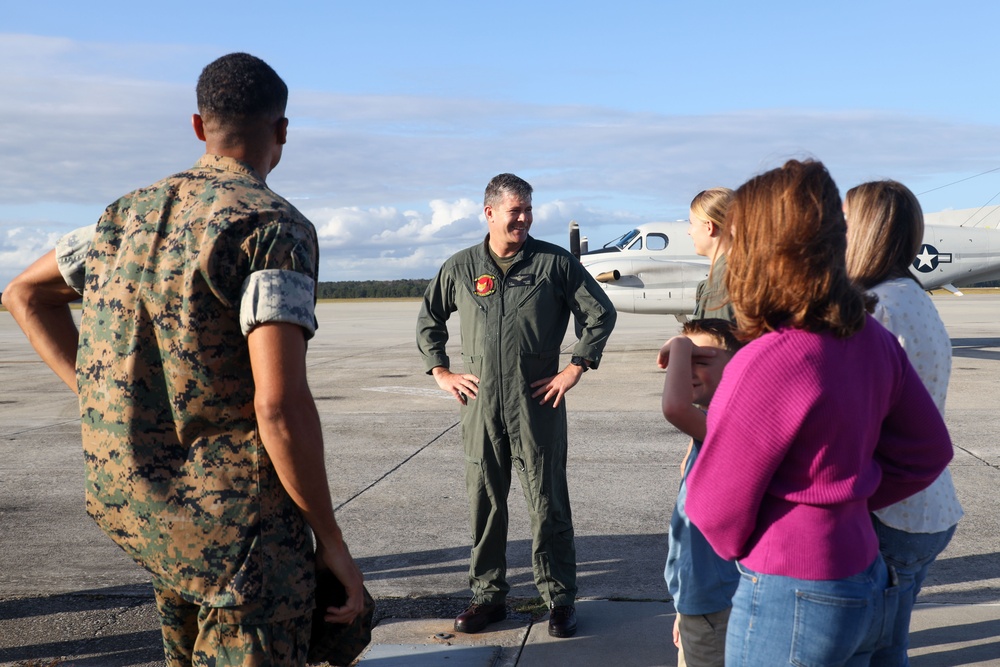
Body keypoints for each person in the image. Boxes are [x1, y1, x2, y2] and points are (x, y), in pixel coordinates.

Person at [1, 53, 364, 665]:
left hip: (154, 516)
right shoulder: (272, 228)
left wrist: (98, 396)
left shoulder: (122, 219)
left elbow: (23, 293)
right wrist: (331, 541)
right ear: (281, 131)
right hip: (241, 529)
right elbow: (277, 405)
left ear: (199, 126)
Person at [683, 159, 954, 666]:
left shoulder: (770, 357)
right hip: (862, 569)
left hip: (791, 587)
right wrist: (845, 500)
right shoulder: (869, 335)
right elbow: (928, 450)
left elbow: (713, 509)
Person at [416, 173, 617, 638]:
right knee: (484, 503)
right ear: (489, 214)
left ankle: (560, 599)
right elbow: (430, 319)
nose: (523, 218)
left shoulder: (553, 263)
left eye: (528, 210)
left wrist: (576, 367)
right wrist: (441, 371)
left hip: (536, 404)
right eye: (515, 211)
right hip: (481, 406)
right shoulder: (462, 268)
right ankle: (488, 598)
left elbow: (599, 313)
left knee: (547, 503)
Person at [845, 180, 963, 666]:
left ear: (865, 232)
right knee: (886, 648)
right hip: (924, 504)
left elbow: (858, 421)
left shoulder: (877, 307)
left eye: (844, 222)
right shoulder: (909, 295)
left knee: (865, 654)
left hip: (890, 510)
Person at [658, 319, 742, 667]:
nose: (687, 369)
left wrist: (677, 346)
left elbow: (674, 408)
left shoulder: (729, 427)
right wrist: (682, 607)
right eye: (686, 359)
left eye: (701, 360)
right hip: (699, 599)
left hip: (713, 602)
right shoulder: (711, 422)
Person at [689, 188, 735, 321]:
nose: (689, 231)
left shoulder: (719, 288)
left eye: (692, 224)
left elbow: (717, 341)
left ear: (709, 227)